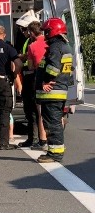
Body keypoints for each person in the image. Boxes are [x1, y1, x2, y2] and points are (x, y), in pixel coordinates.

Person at [35, 18, 73, 163]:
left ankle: (55, 153)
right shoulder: (65, 46)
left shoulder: (56, 47)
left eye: (47, 31)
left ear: (53, 31)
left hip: (52, 92)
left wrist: (45, 81)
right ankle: (55, 149)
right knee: (54, 122)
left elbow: (53, 68)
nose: (45, 35)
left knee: (52, 123)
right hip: (58, 91)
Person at [20, 20, 48, 150]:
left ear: (31, 32)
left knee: (35, 110)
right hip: (52, 80)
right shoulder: (49, 41)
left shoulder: (32, 45)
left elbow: (30, 66)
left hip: (35, 78)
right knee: (50, 111)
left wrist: (24, 57)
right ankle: (49, 139)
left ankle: (39, 139)